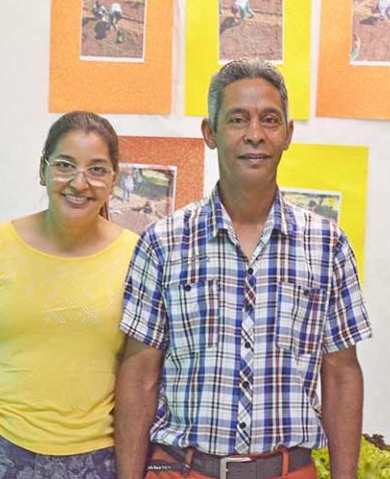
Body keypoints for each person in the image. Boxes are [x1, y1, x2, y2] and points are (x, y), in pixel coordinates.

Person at [115, 59, 373, 479]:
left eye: (270, 120)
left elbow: (342, 374)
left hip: (288, 471)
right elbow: (139, 372)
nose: (255, 134)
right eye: (237, 119)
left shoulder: (328, 246)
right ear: (210, 132)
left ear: (288, 134)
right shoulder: (163, 243)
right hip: (183, 469)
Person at [0, 111, 139, 479]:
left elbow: (140, 378)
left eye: (96, 169)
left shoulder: (139, 258)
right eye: (64, 165)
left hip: (93, 461)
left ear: (113, 180)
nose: (79, 183)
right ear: (42, 170)